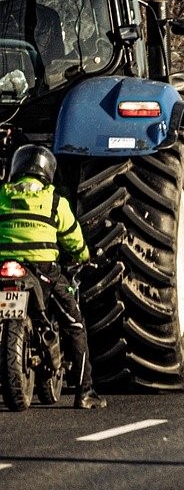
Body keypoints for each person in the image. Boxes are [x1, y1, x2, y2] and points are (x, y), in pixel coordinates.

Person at [0, 145, 106, 409]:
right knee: (75, 324)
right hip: (43, 271)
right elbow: (73, 238)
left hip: (4, 266)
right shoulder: (54, 200)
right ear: (48, 171)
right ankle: (85, 392)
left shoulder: (2, 194)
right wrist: (83, 256)